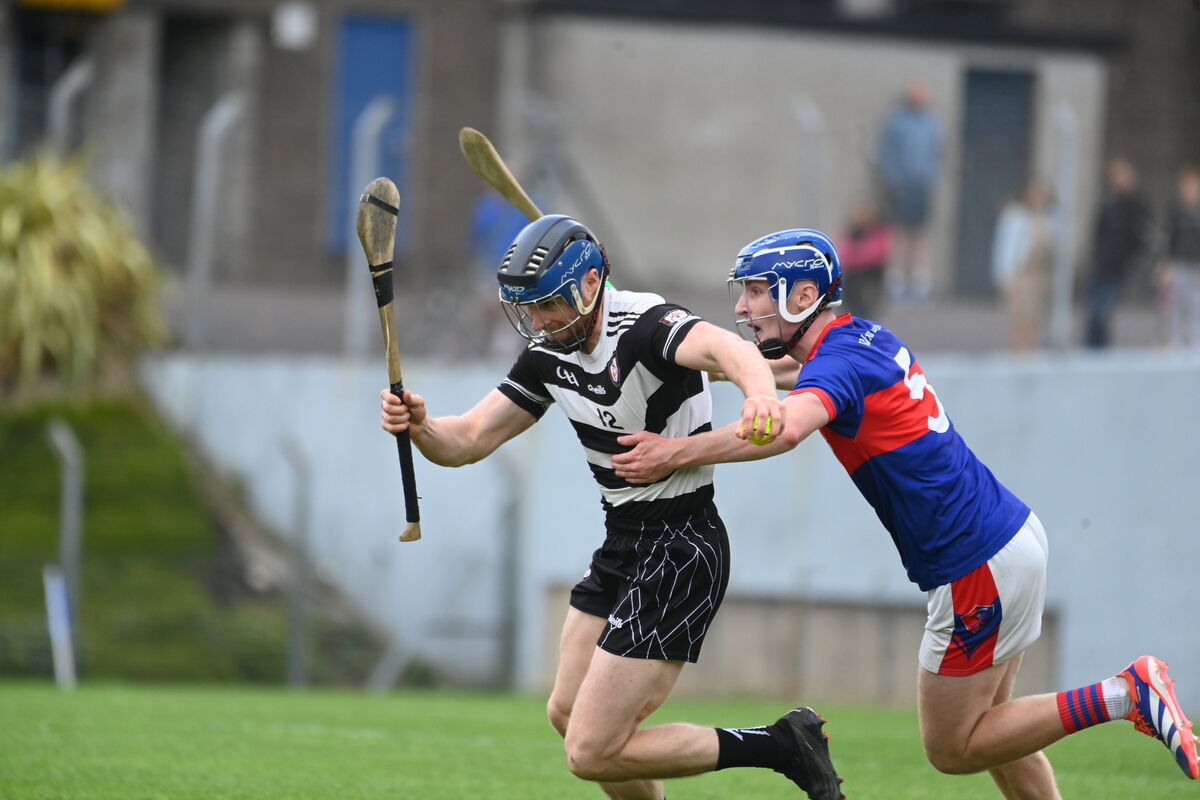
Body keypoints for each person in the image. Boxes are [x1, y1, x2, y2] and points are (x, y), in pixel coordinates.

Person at [610, 228, 1199, 798]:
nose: (742, 306)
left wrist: (676, 452)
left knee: (954, 747)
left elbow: (784, 429)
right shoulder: (857, 339)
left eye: (757, 291)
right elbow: (768, 371)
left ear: (804, 295)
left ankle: (1124, 694)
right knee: (999, 733)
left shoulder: (837, 366)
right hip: (1009, 537)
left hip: (976, 564)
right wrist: (670, 344)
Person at [379, 214, 845, 800]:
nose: (539, 322)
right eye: (528, 310)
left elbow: (730, 350)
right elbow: (467, 439)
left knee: (590, 750)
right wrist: (420, 424)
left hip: (681, 544)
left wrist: (757, 397)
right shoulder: (547, 354)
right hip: (622, 539)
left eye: (548, 305)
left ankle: (779, 744)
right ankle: (775, 745)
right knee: (567, 713)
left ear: (590, 286)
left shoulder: (648, 326)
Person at [876, 79, 942, 303]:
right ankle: (896, 282)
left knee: (920, 233)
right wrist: (892, 180)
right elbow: (888, 153)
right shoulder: (897, 123)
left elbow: (936, 153)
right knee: (899, 232)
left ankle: (919, 282)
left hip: (922, 184)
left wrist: (931, 177)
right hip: (901, 185)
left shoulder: (932, 123)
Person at [1084, 158, 1151, 349]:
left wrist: (1131, 258)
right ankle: (1090, 350)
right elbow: (1098, 231)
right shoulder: (1107, 202)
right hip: (1101, 263)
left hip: (1118, 266)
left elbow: (1142, 235)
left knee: (1104, 311)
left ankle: (1101, 350)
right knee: (1093, 311)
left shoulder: (1136, 205)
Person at [991, 177, 1055, 352]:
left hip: (1039, 275)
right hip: (1022, 275)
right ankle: (1020, 350)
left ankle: (1030, 349)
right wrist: (1004, 275)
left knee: (1035, 317)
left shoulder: (1048, 219)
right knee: (1020, 317)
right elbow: (1005, 246)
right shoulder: (1015, 216)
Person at [1159, 165, 1200, 351]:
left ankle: (1194, 343)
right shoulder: (1176, 212)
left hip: (1195, 265)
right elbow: (1170, 238)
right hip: (1179, 263)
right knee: (1175, 304)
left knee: (1195, 305)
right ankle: (1175, 341)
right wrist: (1166, 262)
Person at [833, 199, 891, 322]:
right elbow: (842, 254)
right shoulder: (850, 232)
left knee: (866, 317)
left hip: (869, 285)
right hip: (850, 287)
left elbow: (874, 254)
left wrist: (856, 253)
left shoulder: (878, 232)